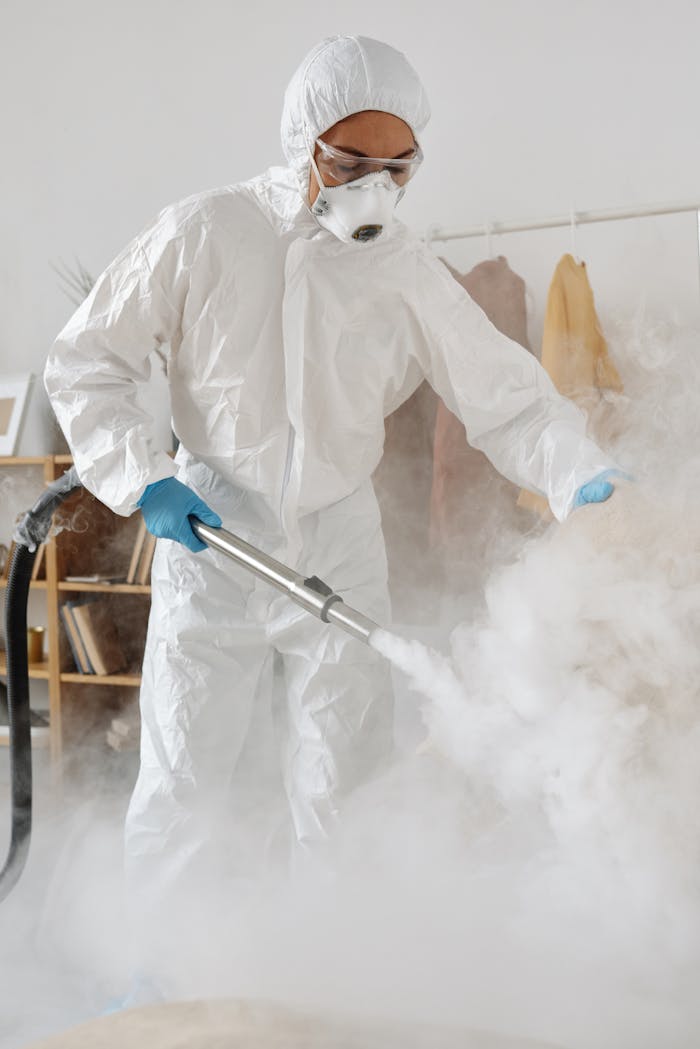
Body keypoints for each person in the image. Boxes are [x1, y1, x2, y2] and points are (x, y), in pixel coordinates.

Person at [44, 34, 621, 957]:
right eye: (353, 163)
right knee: (188, 769)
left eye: (399, 169)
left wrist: (572, 467)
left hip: (339, 533)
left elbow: (502, 395)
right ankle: (157, 979)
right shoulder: (207, 232)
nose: (375, 189)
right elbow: (87, 359)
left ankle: (339, 976)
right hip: (212, 530)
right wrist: (141, 474)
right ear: (304, 142)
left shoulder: (403, 269)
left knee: (346, 773)